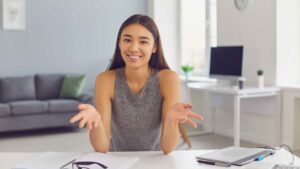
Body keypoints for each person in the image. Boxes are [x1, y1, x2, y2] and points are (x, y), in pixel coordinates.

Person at [69, 14, 203, 154]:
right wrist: (95, 122)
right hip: (118, 159)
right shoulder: (105, 80)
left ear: (154, 47)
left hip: (154, 159)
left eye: (143, 42)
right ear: (119, 43)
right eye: (127, 40)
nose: (134, 48)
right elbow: (102, 147)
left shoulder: (168, 78)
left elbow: (167, 148)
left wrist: (171, 121)